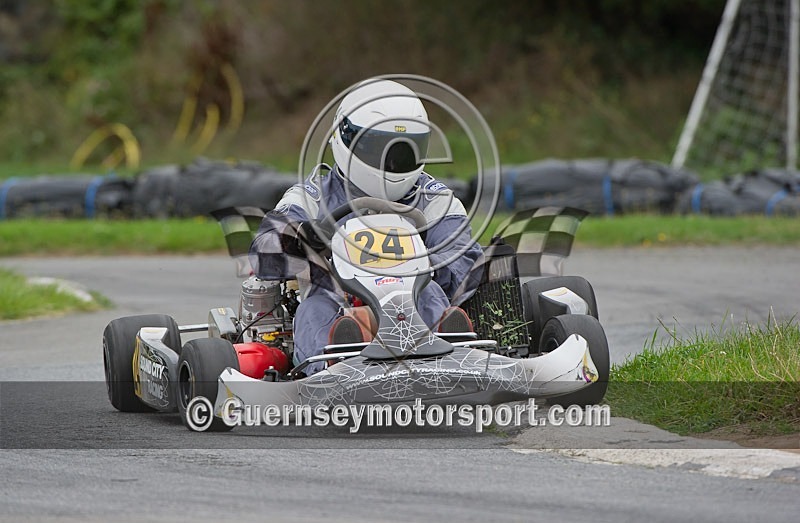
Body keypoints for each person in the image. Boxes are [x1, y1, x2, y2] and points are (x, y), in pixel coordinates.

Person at [250, 78, 482, 374]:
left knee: (431, 292)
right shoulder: (313, 195)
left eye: (403, 151)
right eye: (378, 148)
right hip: (339, 298)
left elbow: (462, 256)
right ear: (344, 138)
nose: (391, 163)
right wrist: (300, 238)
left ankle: (448, 353)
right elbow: (264, 249)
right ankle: (336, 364)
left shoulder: (434, 198)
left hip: (410, 299)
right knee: (316, 307)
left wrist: (421, 266)